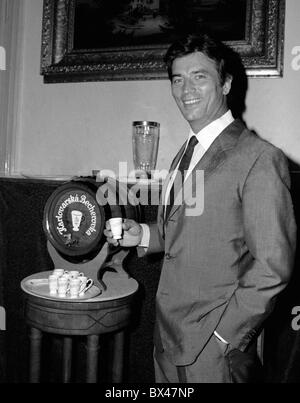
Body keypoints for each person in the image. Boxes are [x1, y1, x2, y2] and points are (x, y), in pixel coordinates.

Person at [104, 32, 296, 383]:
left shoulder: (261, 158)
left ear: (225, 84)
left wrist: (225, 337)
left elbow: (273, 266)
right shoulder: (186, 152)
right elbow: (187, 230)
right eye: (178, 79)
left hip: (215, 351)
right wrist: (144, 234)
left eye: (199, 76)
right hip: (167, 337)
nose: (185, 89)